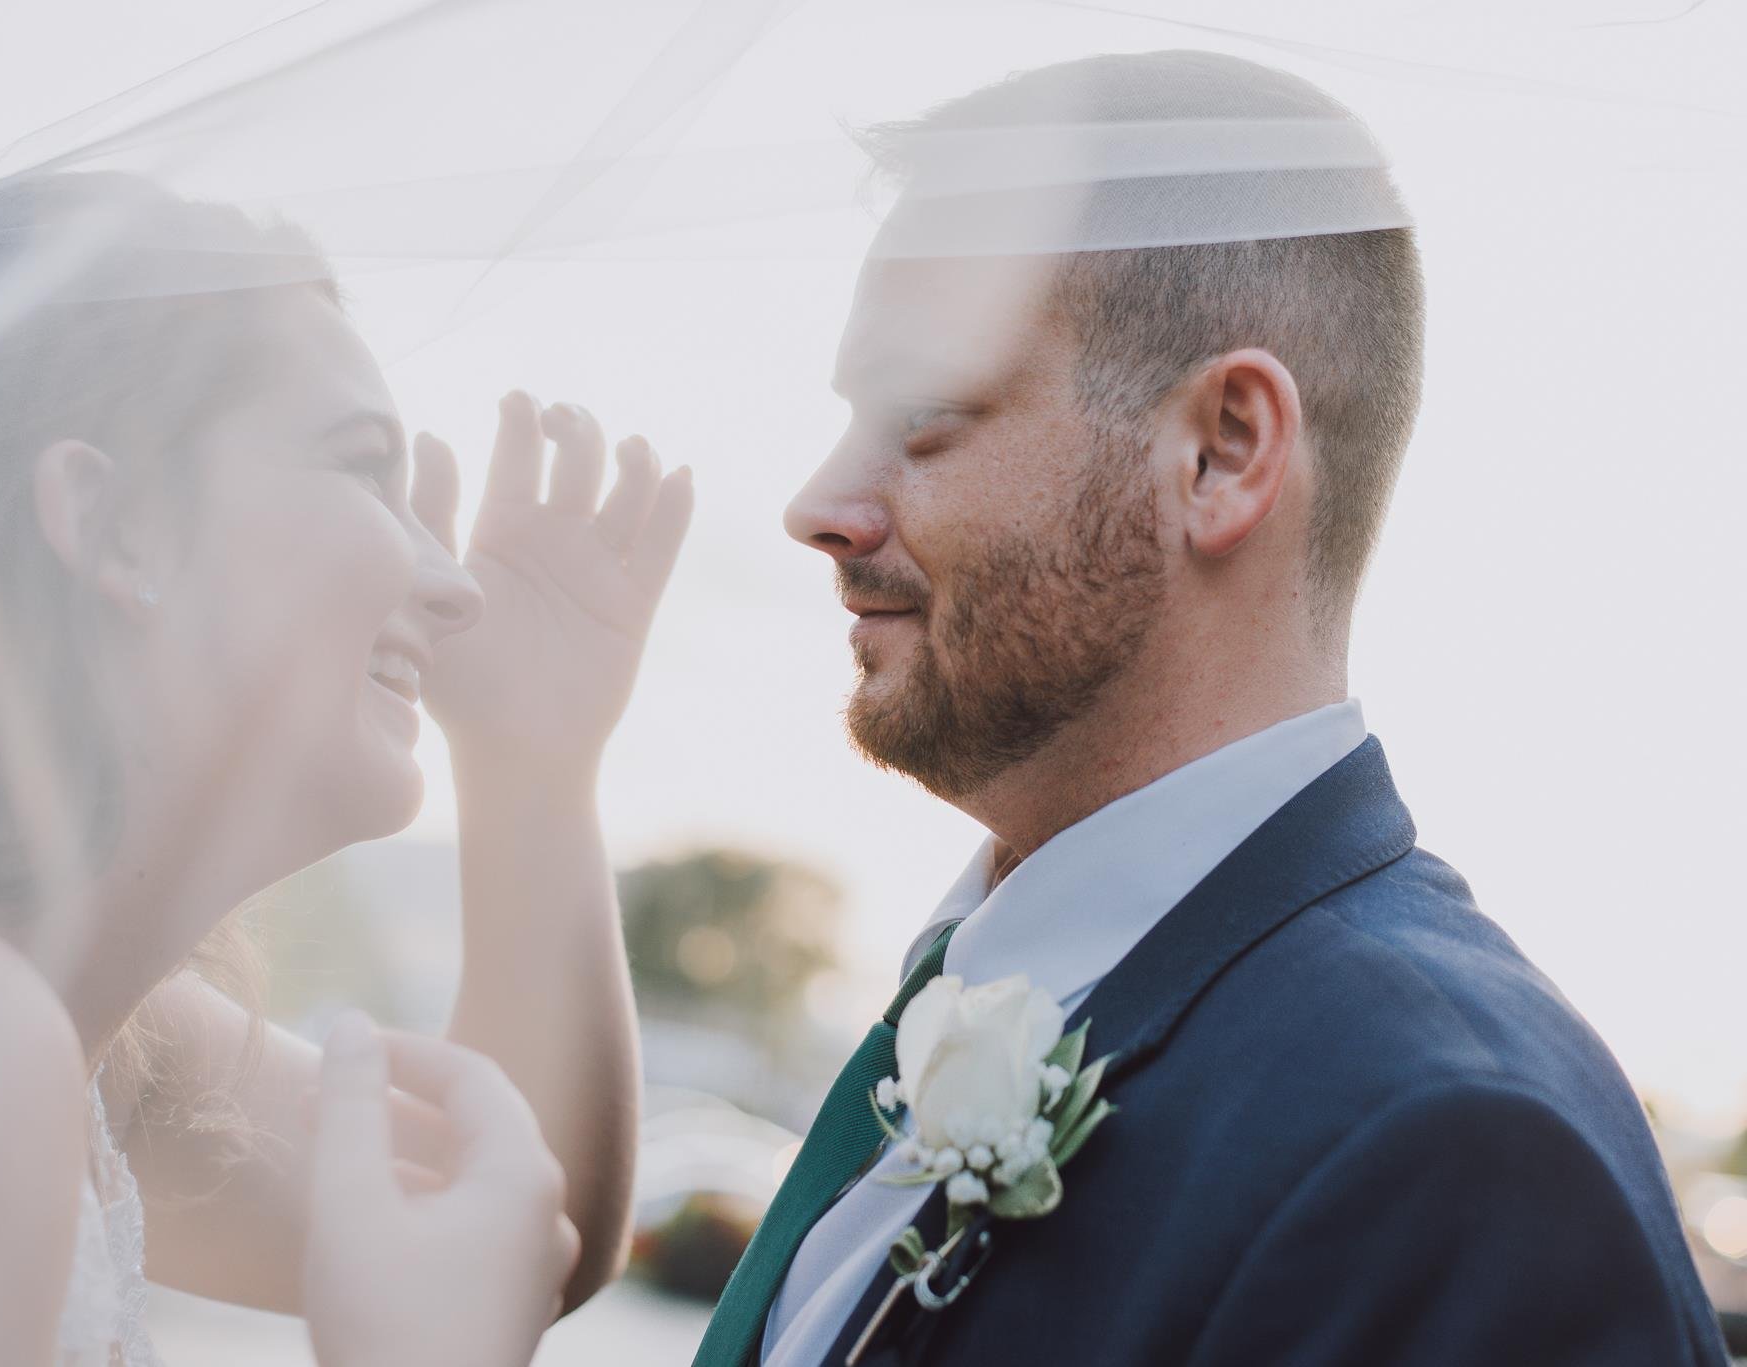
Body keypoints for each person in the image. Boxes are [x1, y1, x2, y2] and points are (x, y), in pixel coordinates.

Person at [693, 51, 1728, 1367]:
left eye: (926, 414)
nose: (818, 504)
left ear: (1222, 449)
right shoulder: (980, 985)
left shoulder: (1449, 1151)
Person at [0, 170, 692, 1366]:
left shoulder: (41, 1016)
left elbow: (510, 1216)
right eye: (362, 467)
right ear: (115, 526)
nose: (455, 582)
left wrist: (532, 762)